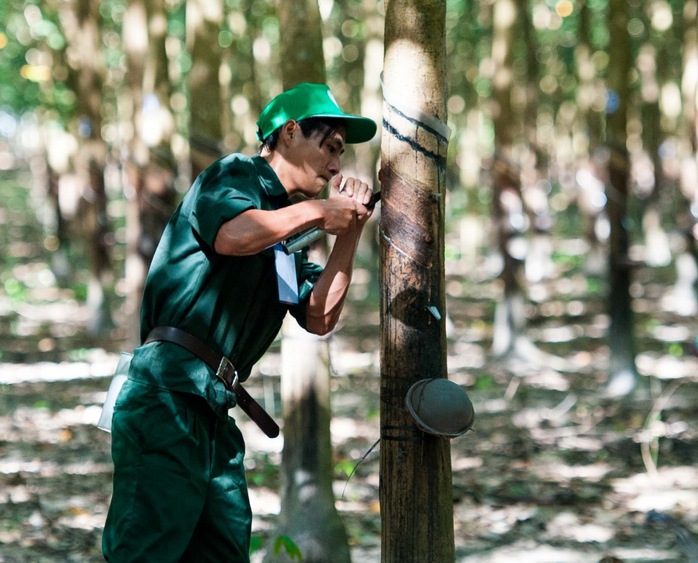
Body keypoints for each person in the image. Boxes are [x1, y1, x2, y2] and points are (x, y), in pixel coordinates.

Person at [102, 82, 377, 561]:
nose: (336, 166)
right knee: (146, 549)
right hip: (167, 396)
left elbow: (319, 315)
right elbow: (232, 234)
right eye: (330, 148)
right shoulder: (235, 175)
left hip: (214, 412)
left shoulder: (292, 231)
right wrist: (319, 212)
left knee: (223, 550)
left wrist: (348, 233)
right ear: (290, 132)